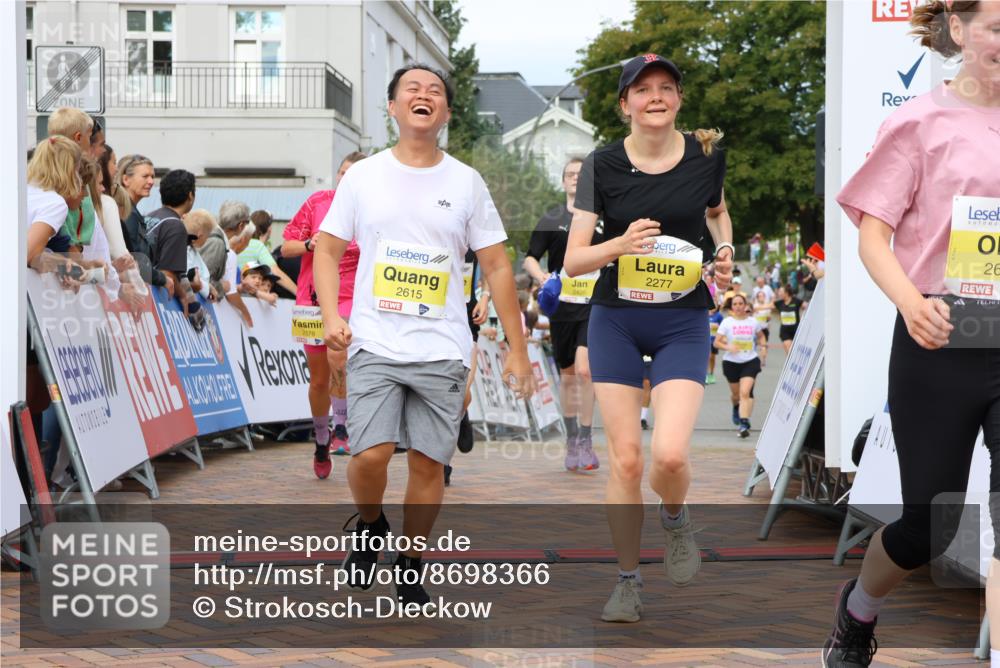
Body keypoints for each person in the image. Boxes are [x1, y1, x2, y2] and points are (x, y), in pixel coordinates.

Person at [313, 64, 532, 607]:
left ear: (446, 113)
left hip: (443, 346)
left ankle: (411, 561)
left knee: (429, 464)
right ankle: (369, 525)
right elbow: (326, 250)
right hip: (374, 340)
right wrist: (331, 317)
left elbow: (498, 267)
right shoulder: (362, 177)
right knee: (369, 455)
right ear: (392, 108)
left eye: (435, 91)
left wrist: (518, 350)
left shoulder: (465, 182)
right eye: (411, 89)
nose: (423, 95)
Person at [824, 2, 1000, 666]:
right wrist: (909, 303)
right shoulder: (919, 121)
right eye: (996, 27)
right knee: (931, 527)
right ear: (957, 29)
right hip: (942, 333)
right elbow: (873, 236)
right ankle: (858, 611)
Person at [563, 53, 733, 623]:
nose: (655, 96)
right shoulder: (601, 164)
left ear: (679, 99)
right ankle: (628, 582)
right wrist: (619, 245)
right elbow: (573, 263)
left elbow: (717, 215)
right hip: (616, 316)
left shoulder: (708, 155)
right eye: (642, 90)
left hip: (682, 318)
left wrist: (726, 251)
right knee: (629, 460)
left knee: (670, 453)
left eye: (666, 88)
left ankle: (677, 518)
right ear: (625, 104)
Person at [283, 151, 366, 477]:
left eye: (353, 174)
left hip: (352, 298)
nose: (346, 179)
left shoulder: (373, 211)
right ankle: (321, 439)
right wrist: (308, 244)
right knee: (318, 380)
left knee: (339, 354)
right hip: (312, 298)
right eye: (342, 172)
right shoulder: (318, 202)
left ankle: (341, 428)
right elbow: (286, 247)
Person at [524, 157, 602, 471]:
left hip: (594, 306)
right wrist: (541, 276)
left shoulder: (602, 219)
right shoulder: (551, 218)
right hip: (561, 308)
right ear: (563, 182)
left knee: (586, 371)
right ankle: (573, 439)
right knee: (569, 377)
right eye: (570, 174)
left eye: (580, 175)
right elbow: (530, 258)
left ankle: (585, 437)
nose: (574, 178)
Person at [145, 169, 201, 328]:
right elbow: (167, 273)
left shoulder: (149, 216)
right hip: (154, 301)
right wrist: (185, 296)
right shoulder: (175, 226)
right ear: (190, 195)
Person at [116, 154, 171, 295]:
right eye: (145, 176)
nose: (151, 181)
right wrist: (163, 279)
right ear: (126, 179)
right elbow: (136, 260)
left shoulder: (131, 212)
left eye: (152, 176)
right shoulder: (127, 213)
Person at [714, 294, 767, 439]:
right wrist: (728, 347)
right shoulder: (727, 322)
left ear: (745, 306)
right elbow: (716, 342)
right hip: (731, 363)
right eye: (735, 304)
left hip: (750, 361)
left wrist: (763, 346)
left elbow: (761, 336)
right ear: (731, 307)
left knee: (745, 392)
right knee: (736, 395)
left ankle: (744, 423)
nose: (738, 306)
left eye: (740, 303)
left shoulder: (753, 322)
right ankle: (736, 407)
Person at [235, 206, 297, 295]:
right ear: (269, 229)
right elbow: (276, 272)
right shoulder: (258, 246)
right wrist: (299, 293)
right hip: (249, 297)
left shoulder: (240, 243)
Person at [775, 283, 803, 355]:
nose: (779, 293)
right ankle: (791, 364)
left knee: (796, 351)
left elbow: (807, 307)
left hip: (796, 330)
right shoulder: (779, 303)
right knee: (789, 349)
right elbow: (767, 306)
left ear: (786, 293)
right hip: (785, 331)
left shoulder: (796, 301)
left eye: (780, 292)